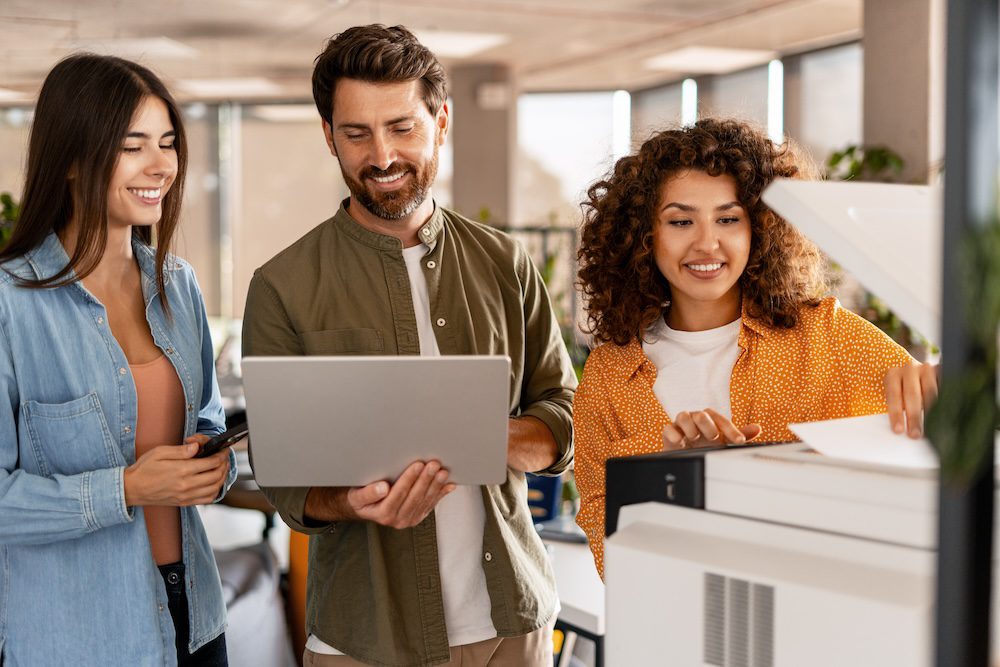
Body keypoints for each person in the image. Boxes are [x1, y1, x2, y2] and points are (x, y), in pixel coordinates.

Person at [242, 24, 576, 667]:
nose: (383, 156)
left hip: (511, 627)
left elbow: (565, 414)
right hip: (364, 641)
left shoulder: (505, 262)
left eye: (402, 127)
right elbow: (285, 479)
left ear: (441, 121)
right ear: (328, 135)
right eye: (356, 133)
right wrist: (349, 501)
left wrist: (476, 438)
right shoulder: (282, 286)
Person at [573, 118, 938, 578]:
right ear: (644, 236)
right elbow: (612, 557)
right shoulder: (609, 375)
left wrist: (937, 390)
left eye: (728, 219)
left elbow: (940, 446)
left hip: (824, 615)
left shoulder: (828, 337)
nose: (707, 243)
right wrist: (682, 477)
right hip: (677, 626)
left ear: (760, 230)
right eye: (681, 221)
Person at [0, 54, 236, 666]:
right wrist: (127, 487)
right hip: (79, 636)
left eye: (167, 143)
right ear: (74, 160)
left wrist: (215, 465)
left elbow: (206, 423)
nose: (162, 166)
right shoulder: (10, 306)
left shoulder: (177, 285)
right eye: (134, 147)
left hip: (194, 618)